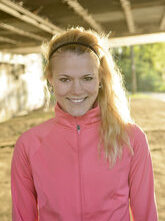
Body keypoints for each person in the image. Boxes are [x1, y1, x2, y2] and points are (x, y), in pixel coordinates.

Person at [11, 27, 158, 221]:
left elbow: (146, 216)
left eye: (87, 78)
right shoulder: (28, 145)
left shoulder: (132, 139)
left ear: (100, 80)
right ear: (51, 80)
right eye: (65, 79)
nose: (77, 90)